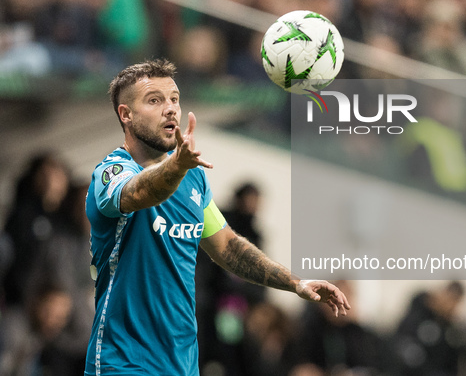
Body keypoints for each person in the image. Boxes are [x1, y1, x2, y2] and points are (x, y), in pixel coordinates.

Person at [83, 59, 350, 376]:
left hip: (182, 364)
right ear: (126, 114)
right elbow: (140, 193)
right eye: (154, 100)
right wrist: (175, 168)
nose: (170, 109)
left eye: (175, 99)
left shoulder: (192, 178)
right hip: (124, 362)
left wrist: (296, 283)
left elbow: (228, 247)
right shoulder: (111, 172)